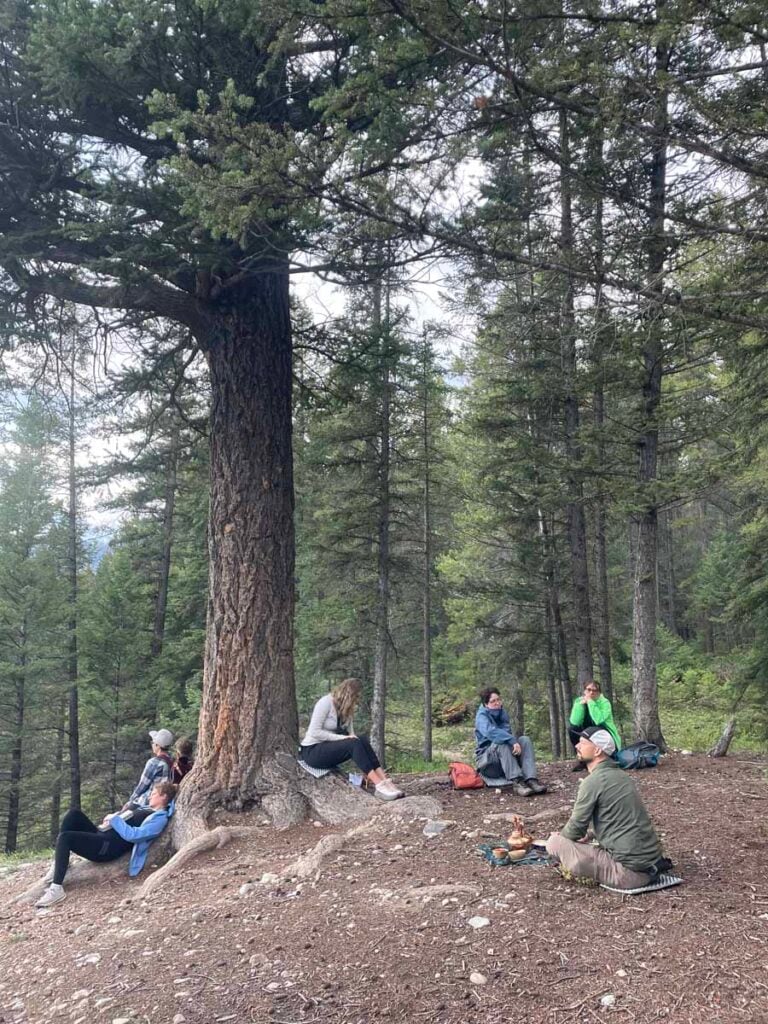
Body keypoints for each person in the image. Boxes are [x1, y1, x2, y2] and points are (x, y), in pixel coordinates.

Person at [546, 727, 671, 889]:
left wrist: (562, 836)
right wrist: (591, 834)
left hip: (628, 874)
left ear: (598, 750)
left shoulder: (593, 781)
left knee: (554, 843)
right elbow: (621, 822)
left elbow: (575, 829)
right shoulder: (622, 777)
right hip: (651, 866)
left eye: (583, 743)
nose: (577, 746)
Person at [36, 780, 177, 908]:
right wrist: (113, 817)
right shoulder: (146, 808)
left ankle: (57, 888)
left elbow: (135, 835)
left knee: (65, 838)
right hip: (102, 834)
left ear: (163, 797)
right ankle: (60, 865)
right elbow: (126, 817)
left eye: (154, 794)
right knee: (73, 815)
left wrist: (115, 820)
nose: (150, 796)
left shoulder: (159, 818)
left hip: (107, 847)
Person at [300, 678, 404, 801]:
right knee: (353, 743)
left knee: (362, 740)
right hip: (312, 751)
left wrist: (364, 762)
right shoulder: (325, 703)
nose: (357, 702)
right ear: (349, 695)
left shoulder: (346, 709)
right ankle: (379, 786)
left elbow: (352, 736)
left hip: (328, 748)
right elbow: (314, 732)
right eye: (356, 698)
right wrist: (343, 738)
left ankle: (385, 781)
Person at [474, 688, 547, 797]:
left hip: (504, 761)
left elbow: (506, 734)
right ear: (485, 704)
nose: (497, 703)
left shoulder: (502, 713)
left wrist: (513, 742)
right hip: (488, 763)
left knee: (524, 740)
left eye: (498, 700)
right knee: (501, 742)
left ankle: (531, 780)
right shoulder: (481, 716)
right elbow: (491, 733)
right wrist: (511, 740)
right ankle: (517, 782)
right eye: (493, 701)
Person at [568, 680, 621, 771]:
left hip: (603, 732)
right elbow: (574, 722)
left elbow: (599, 720)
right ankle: (583, 760)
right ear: (585, 691)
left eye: (595, 690)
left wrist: (590, 702)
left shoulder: (605, 703)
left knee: (591, 730)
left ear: (599, 692)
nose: (591, 692)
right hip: (588, 732)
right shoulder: (579, 701)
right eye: (589, 690)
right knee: (572, 729)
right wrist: (580, 706)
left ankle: (604, 758)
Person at [121, 728, 175, 809]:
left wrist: (130, 802)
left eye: (153, 742)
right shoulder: (172, 761)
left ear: (158, 745)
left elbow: (142, 785)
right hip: (165, 802)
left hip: (148, 801)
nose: (152, 745)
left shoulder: (154, 762)